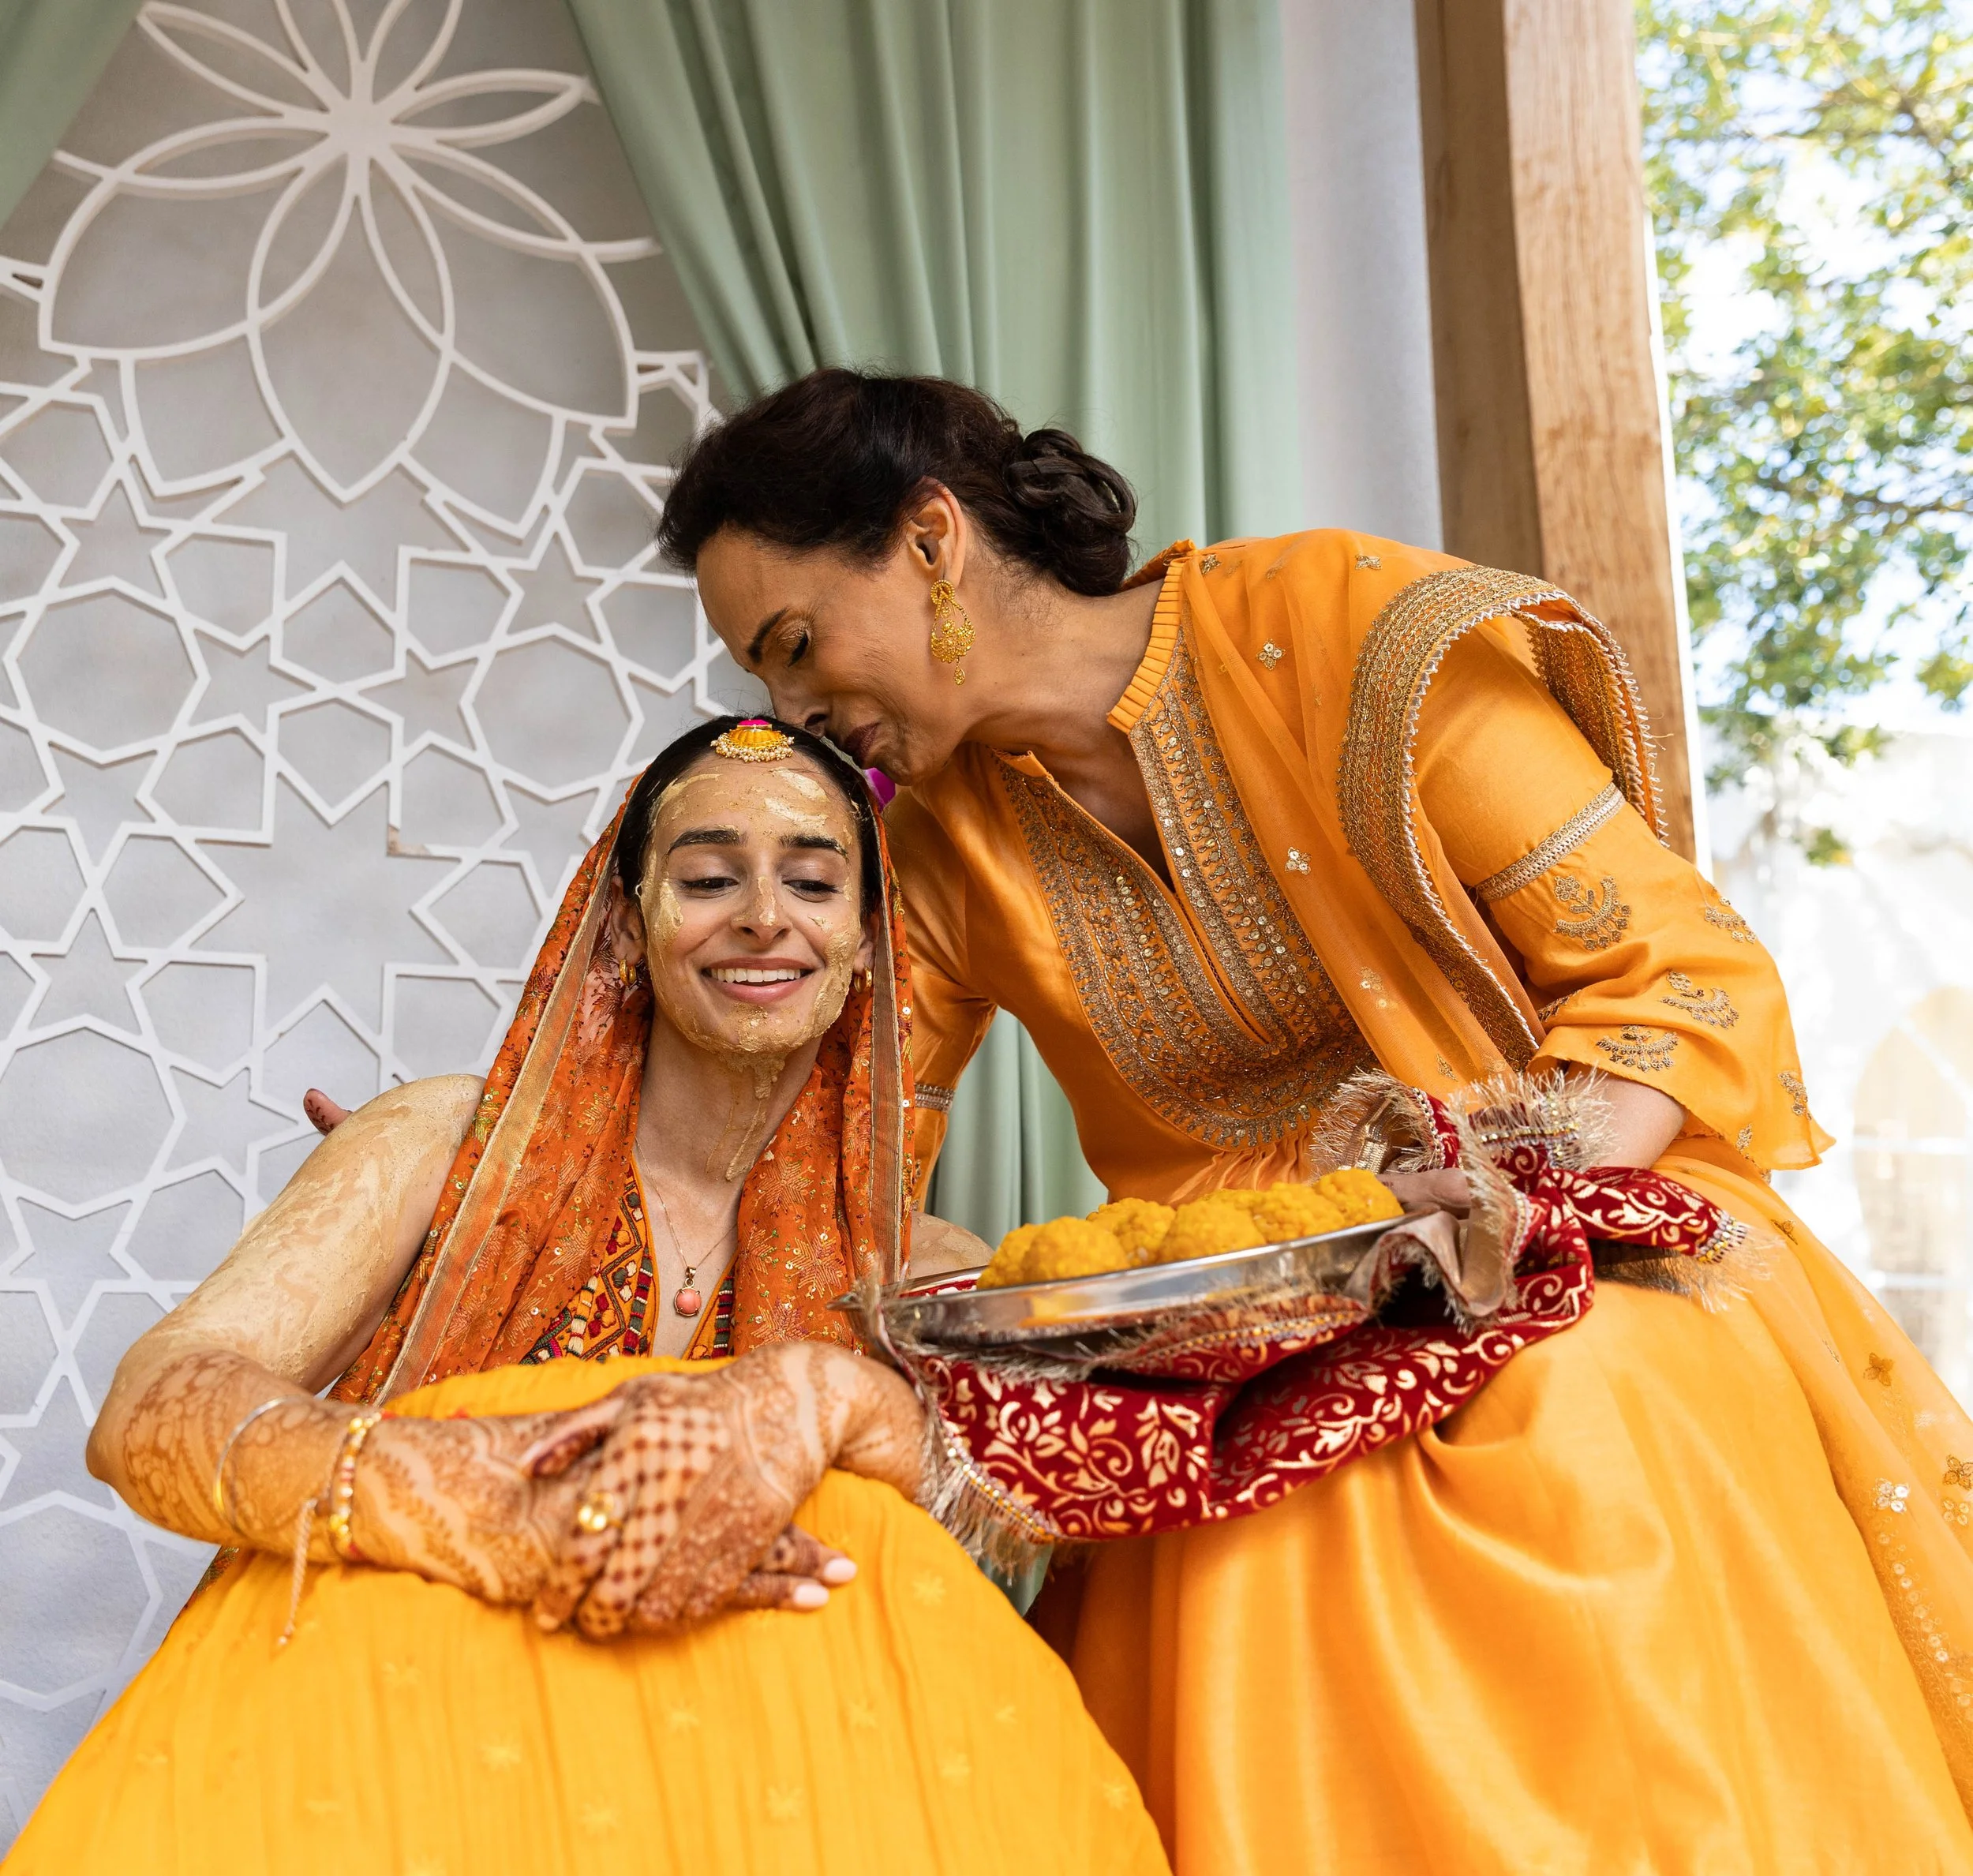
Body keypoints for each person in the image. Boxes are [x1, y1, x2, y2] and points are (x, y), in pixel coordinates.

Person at [661, 367, 1973, 1874]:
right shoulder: (942, 849)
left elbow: (1683, 976)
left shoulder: (1346, 639)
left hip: (1562, 1235)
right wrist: (494, 1165)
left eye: (798, 643)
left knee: (1569, 1408)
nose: (795, 708)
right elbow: (826, 1154)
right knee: (1195, 1507)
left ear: (932, 539)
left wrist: (1510, 1197)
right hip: (1224, 1314)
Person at [8, 715, 1169, 1876]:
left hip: (758, 1796)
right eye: (709, 877)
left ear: (867, 942)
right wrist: (463, 1496)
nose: (765, 914)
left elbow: (1033, 1522)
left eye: (813, 881)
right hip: (392, 1745)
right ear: (623, 925)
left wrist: (837, 1400)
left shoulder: (917, 1272)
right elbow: (151, 1408)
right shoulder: (448, 1150)